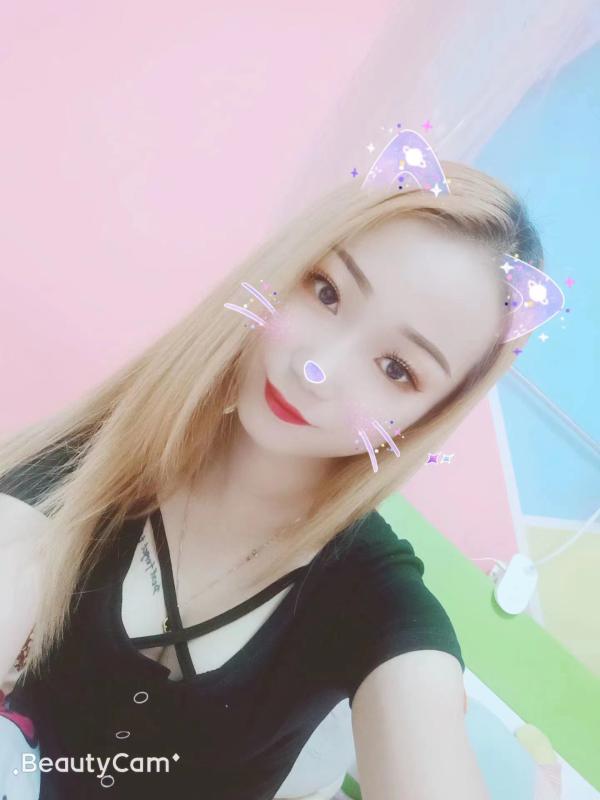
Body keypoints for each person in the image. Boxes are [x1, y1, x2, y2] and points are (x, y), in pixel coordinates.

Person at [0, 160, 542, 799]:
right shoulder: (87, 465)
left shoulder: (375, 599)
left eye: (396, 368)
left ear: (428, 417)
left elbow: (420, 722)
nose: (318, 367)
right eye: (327, 292)